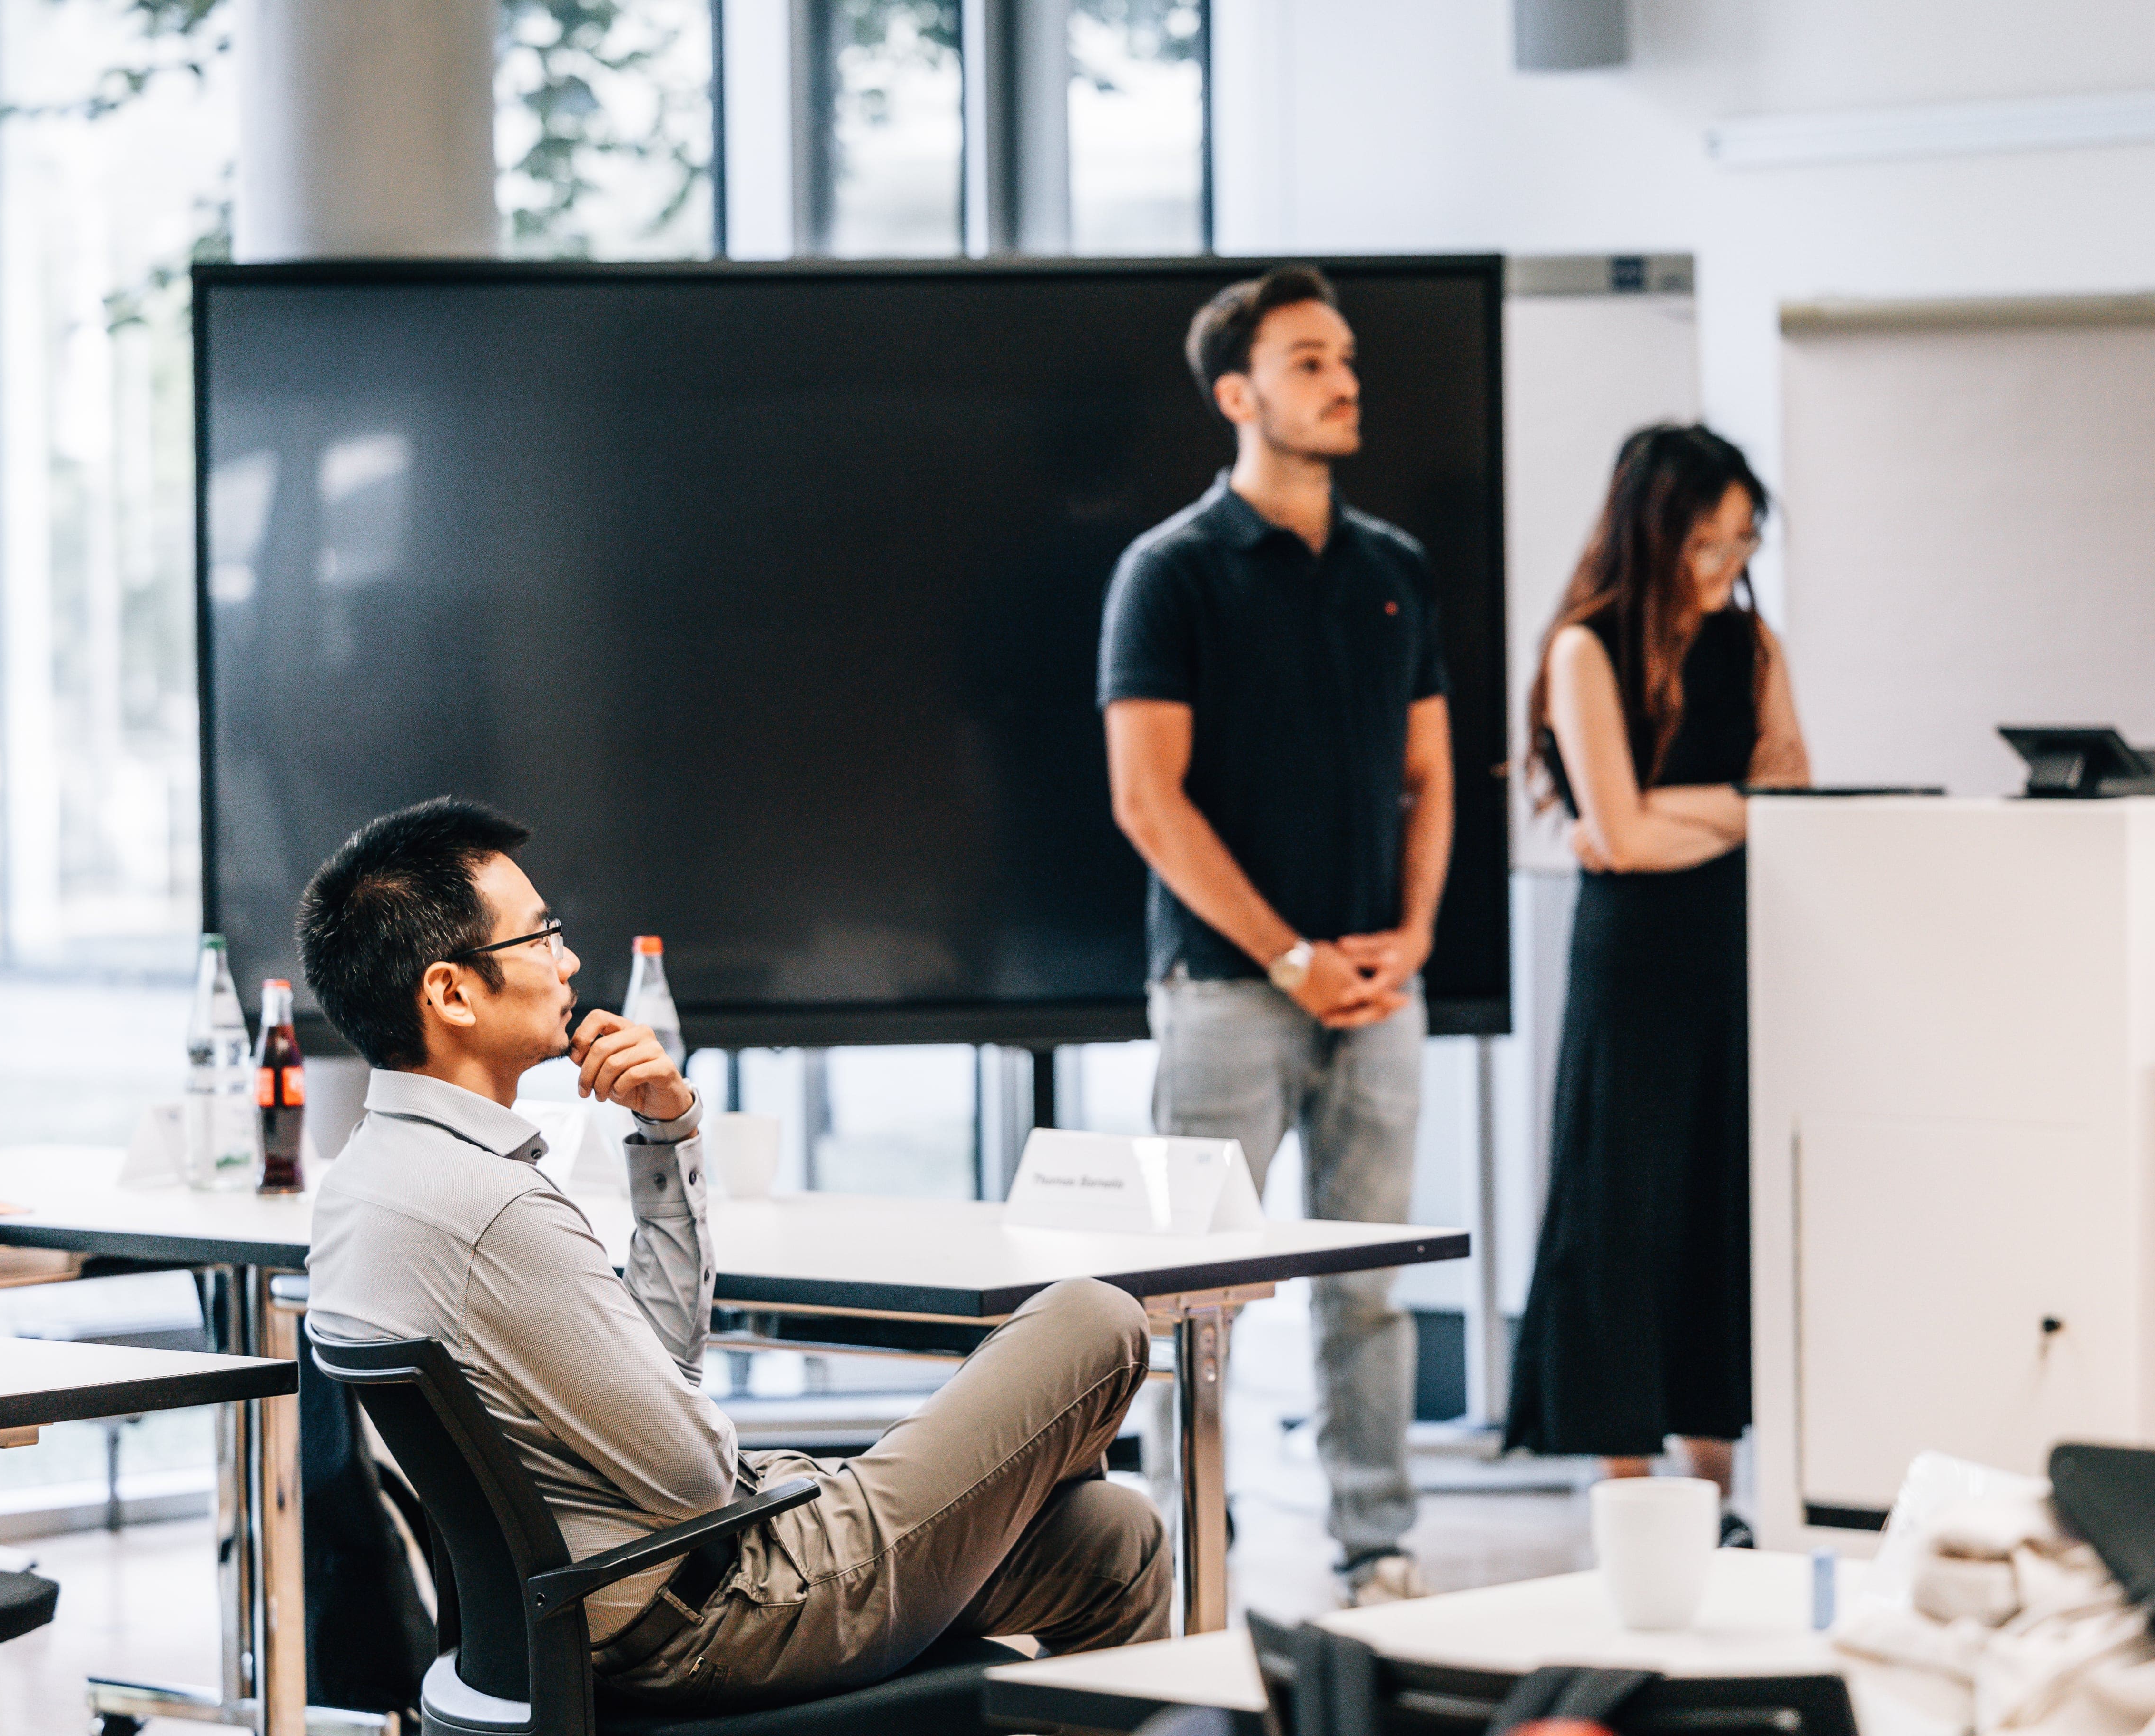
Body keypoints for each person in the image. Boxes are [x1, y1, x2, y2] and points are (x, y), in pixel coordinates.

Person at [300, 798, 1167, 1707]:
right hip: (728, 1610)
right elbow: (696, 1478)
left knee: (1111, 1542)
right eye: (540, 937)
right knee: (1097, 1317)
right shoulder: (492, 1209)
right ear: (451, 993)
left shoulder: (371, 1180)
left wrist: (666, 1133)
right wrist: (818, 1479)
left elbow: (659, 1367)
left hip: (601, 1612)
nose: (568, 961)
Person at [1099, 265, 1455, 1605]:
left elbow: (1431, 777)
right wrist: (1292, 952)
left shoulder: (1395, 570)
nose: (1346, 377)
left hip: (1380, 988)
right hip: (1225, 995)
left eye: (1347, 355)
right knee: (1197, 1304)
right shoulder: (1171, 572)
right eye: (1312, 360)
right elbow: (1149, 799)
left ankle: (1383, 1551)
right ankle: (1189, 1556)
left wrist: (1411, 937)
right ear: (1239, 394)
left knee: (1371, 1289)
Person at [1504, 425, 1810, 1513]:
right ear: (1655, 530)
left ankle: (1714, 1487)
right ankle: (1628, 1485)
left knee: (1714, 1198)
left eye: (1743, 541)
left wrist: (1668, 811)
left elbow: (1793, 795)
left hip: (1730, 945)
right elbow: (1623, 841)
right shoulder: (1586, 647)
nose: (1727, 565)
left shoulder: (1752, 647)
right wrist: (1716, 813)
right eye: (1706, 542)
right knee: (1619, 1197)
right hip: (1632, 956)